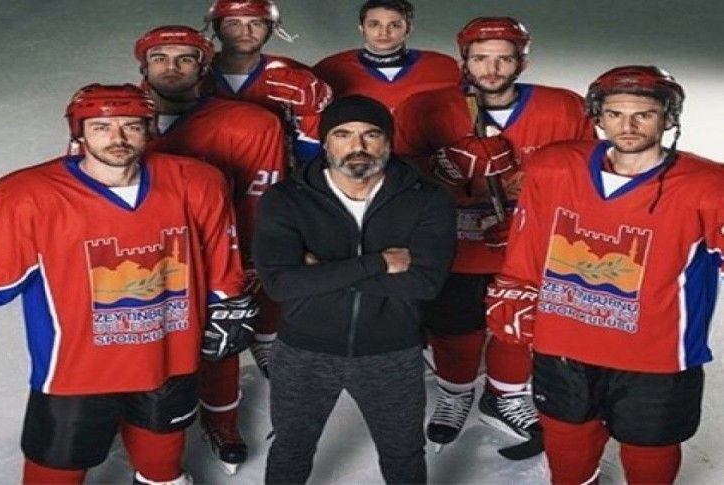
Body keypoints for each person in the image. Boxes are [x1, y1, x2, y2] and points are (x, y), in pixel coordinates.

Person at [0, 84, 253, 484]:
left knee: (162, 471)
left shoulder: (196, 181)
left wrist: (228, 301)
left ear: (149, 129)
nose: (118, 137)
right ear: (78, 132)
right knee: (53, 476)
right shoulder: (29, 195)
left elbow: (220, 256)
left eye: (132, 126)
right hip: (76, 375)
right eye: (101, 127)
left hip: (168, 361)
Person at [486, 65, 724, 484]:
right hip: (562, 345)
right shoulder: (555, 166)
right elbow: (530, 238)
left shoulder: (708, 186)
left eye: (643, 114)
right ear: (598, 115)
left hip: (656, 359)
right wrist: (514, 286)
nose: (627, 126)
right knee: (567, 445)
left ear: (668, 117)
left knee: (649, 452)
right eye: (615, 114)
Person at [393, 16, 595, 455]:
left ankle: (505, 395)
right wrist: (442, 168)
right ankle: (455, 391)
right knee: (454, 324)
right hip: (453, 244)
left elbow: (588, 179)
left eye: (504, 59)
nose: (492, 69)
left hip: (527, 246)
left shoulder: (564, 108)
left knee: (518, 323)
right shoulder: (424, 107)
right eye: (481, 58)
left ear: (523, 62)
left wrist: (534, 222)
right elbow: (395, 176)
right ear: (463, 61)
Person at [253, 95, 456, 484]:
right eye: (343, 134)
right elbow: (280, 284)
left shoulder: (428, 198)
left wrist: (321, 274)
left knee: (403, 454)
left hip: (391, 351)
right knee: (291, 450)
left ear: (389, 141)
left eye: (371, 134)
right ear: (325, 143)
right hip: (304, 351)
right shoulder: (287, 198)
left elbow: (424, 284)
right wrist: (377, 263)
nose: (357, 146)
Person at [134, 24, 286, 474]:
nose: (172, 67)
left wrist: (250, 261)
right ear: (143, 66)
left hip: (215, 252)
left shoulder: (250, 123)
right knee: (139, 344)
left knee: (220, 339)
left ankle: (222, 422)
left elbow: (261, 197)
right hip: (138, 255)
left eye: (185, 58)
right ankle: (143, 429)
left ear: (204, 67)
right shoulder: (115, 119)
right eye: (160, 58)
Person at [202, 0, 332, 164]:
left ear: (270, 29)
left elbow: (312, 155)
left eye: (256, 23)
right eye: (233, 23)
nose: (245, 31)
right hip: (200, 172)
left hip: (273, 172)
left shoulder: (296, 74)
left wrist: (311, 113)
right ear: (217, 28)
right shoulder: (191, 73)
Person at [313, 0, 460, 114]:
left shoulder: (444, 67)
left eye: (394, 25)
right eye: (374, 24)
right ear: (362, 29)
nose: (384, 32)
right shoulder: (330, 68)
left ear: (408, 30)